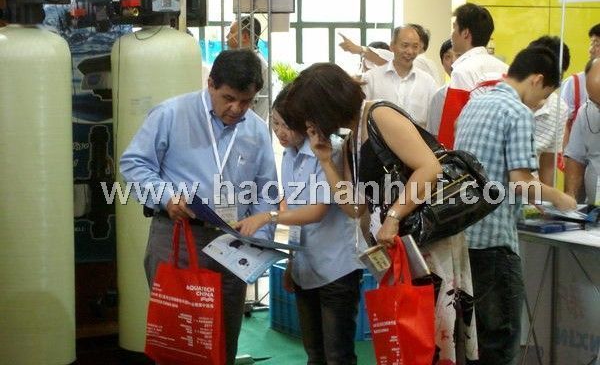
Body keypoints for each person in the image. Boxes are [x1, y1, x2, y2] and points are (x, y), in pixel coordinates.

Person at [284, 62, 480, 364]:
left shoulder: (379, 115)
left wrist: (393, 217)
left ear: (327, 105)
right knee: (407, 336)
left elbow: (429, 168)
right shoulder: (350, 140)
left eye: (311, 115)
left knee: (434, 334)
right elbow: (354, 207)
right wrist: (324, 160)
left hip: (426, 241)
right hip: (397, 251)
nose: (309, 124)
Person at [119, 49, 278, 365]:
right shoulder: (171, 114)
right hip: (178, 236)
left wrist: (260, 239)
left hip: (233, 242)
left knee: (224, 336)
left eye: (246, 102)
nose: (236, 109)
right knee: (179, 332)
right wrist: (166, 196)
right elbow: (134, 164)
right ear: (211, 84)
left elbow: (267, 189)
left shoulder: (256, 129)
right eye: (228, 98)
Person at [454, 46, 577, 365]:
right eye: (544, 95)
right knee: (500, 342)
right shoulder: (518, 112)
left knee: (470, 343)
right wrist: (561, 198)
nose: (540, 103)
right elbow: (521, 182)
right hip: (495, 244)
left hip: (463, 239)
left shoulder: (474, 104)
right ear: (536, 79)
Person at [235, 86, 363, 365]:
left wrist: (266, 217)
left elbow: (317, 211)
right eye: (275, 124)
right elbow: (295, 213)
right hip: (307, 267)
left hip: (336, 269)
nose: (279, 132)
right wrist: (293, 263)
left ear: (306, 124)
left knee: (338, 356)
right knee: (314, 354)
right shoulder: (289, 156)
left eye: (286, 125)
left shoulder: (330, 152)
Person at [438, 2, 509, 148]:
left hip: (470, 152)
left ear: (465, 33)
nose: (452, 34)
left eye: (454, 28)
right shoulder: (506, 69)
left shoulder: (462, 71)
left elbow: (450, 127)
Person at [361, 25, 437, 128]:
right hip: (378, 138)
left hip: (417, 138)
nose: (410, 51)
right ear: (392, 46)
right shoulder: (371, 78)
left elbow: (433, 123)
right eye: (405, 45)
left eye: (415, 46)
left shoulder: (428, 82)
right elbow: (362, 120)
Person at [527, 36, 570, 185]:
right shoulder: (505, 101)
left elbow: (548, 164)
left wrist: (546, 197)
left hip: (529, 192)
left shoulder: (559, 108)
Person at [564, 58, 600, 204]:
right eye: (595, 102)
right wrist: (570, 197)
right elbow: (575, 158)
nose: (598, 109)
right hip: (594, 208)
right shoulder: (586, 112)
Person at [226, 16, 271, 121]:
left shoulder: (255, 64)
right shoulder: (245, 62)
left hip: (248, 127)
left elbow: (246, 103)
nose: (227, 36)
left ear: (245, 37)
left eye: (231, 32)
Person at [560, 23, 600, 138]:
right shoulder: (573, 83)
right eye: (591, 43)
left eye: (597, 44)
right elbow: (562, 125)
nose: (591, 50)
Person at [426, 38, 456, 137]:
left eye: (458, 55)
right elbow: (434, 136)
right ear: (442, 62)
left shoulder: (479, 91)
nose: (453, 61)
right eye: (448, 57)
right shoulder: (439, 96)